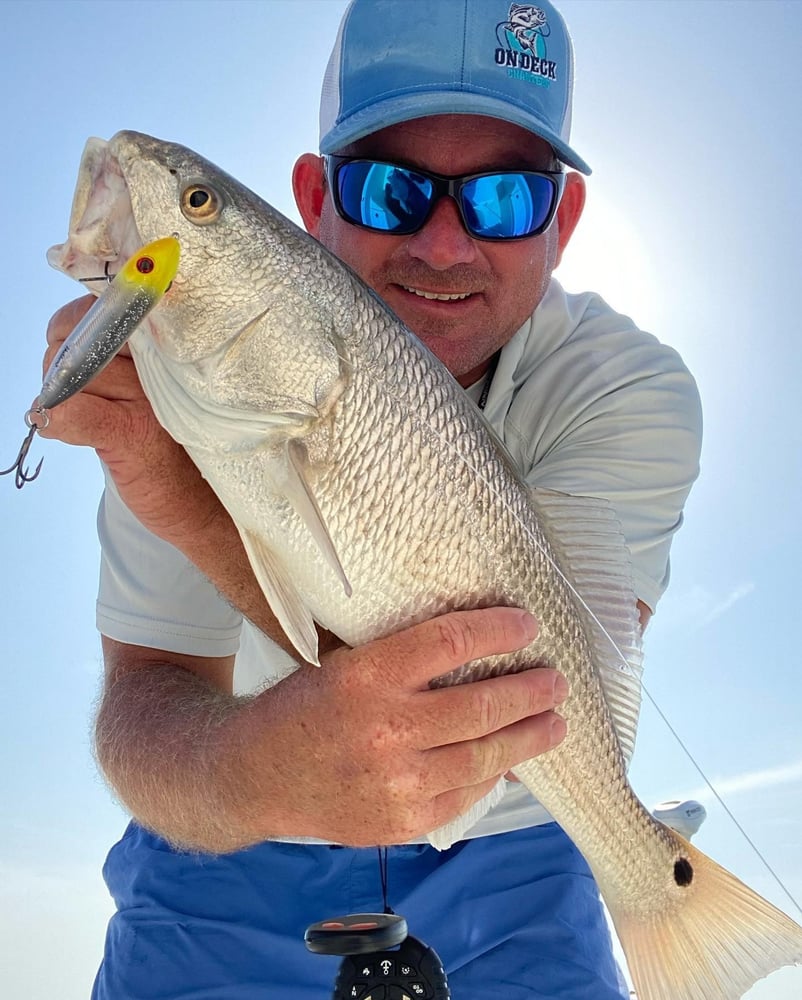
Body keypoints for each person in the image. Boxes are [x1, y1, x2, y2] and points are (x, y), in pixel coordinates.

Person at [42, 1, 702, 998]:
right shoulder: (177, 355)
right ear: (314, 198)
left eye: (507, 198)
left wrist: (175, 493)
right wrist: (251, 772)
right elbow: (147, 692)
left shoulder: (628, 387)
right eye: (391, 190)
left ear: (562, 222)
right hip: (221, 830)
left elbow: (516, 706)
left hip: (520, 835)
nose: (443, 246)